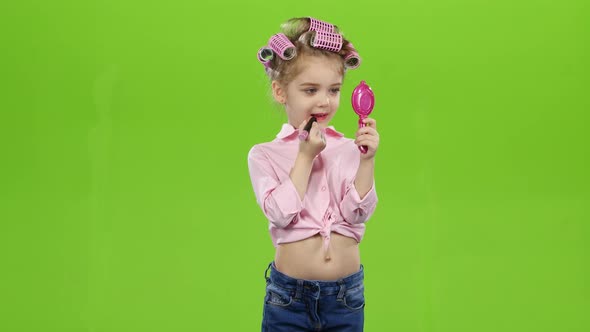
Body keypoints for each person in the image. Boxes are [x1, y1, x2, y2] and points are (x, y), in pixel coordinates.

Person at [248, 17, 380, 332]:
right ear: (281, 91)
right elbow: (280, 214)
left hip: (345, 298)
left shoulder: (348, 148)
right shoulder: (265, 154)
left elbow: (357, 213)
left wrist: (366, 161)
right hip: (289, 299)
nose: (324, 100)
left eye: (333, 90)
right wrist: (305, 156)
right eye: (310, 90)